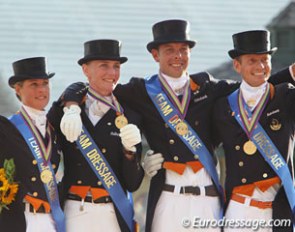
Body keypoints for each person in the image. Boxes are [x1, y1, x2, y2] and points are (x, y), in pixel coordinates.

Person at [58, 20, 295, 232]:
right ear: (155, 54)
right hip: (168, 198)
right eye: (169, 50)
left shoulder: (208, 87)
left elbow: (254, 86)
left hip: (207, 200)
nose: (177, 56)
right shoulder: (142, 91)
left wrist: (289, 73)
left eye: (183, 50)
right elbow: (100, 85)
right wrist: (70, 104)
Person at [47, 39, 144, 232]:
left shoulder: (128, 114)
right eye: (104, 66)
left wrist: (129, 153)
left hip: (112, 213)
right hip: (75, 209)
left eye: (116, 66)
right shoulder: (66, 109)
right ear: (85, 70)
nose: (112, 73)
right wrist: (71, 107)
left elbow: (133, 183)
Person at [213, 30, 295, 232]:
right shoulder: (223, 106)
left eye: (264, 60)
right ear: (237, 65)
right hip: (239, 210)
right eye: (252, 61)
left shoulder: (286, 96)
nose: (260, 67)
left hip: (278, 210)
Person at [0, 57, 65, 232]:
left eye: (45, 83)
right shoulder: (6, 128)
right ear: (18, 89)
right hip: (21, 220)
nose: (41, 90)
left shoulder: (54, 128)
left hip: (51, 220)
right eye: (34, 84)